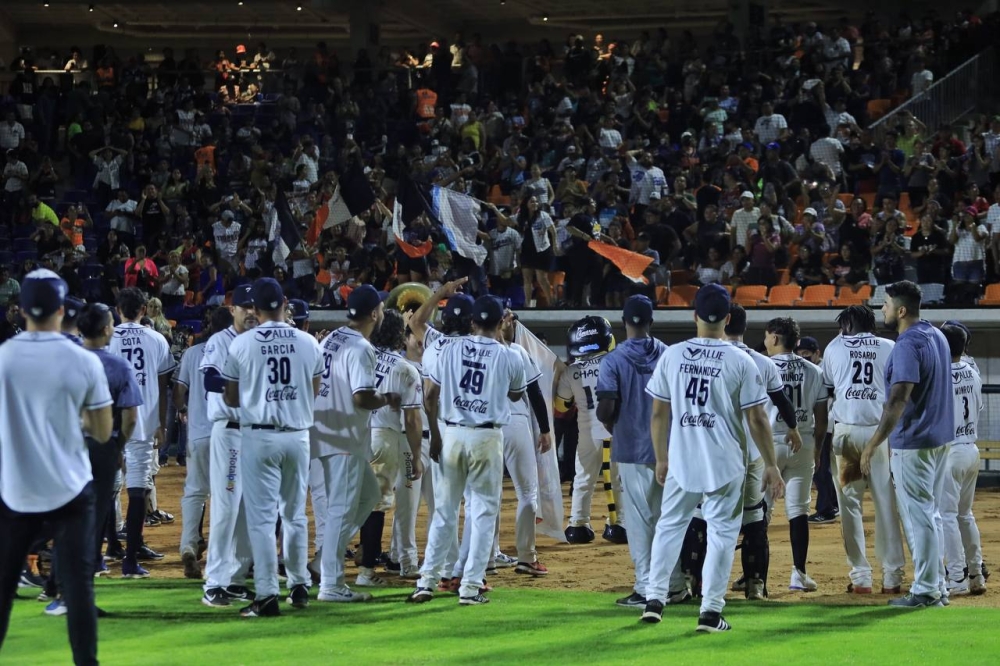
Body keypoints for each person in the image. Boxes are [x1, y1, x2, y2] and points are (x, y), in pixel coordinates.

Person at [641, 284, 784, 631]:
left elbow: (659, 414)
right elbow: (757, 418)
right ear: (728, 318)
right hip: (724, 462)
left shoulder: (672, 355)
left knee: (669, 527)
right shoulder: (740, 359)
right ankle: (710, 612)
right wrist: (771, 464)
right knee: (721, 534)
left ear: (694, 315)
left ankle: (654, 600)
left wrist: (661, 457)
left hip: (682, 458)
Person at [0, 269, 113, 666]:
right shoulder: (81, 361)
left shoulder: (3, 357)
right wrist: (71, 418)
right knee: (79, 589)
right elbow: (102, 432)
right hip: (69, 489)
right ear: (62, 310)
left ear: (21, 311)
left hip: (15, 491)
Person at [407, 296, 526, 606]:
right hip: (487, 437)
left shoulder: (447, 348)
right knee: (484, 513)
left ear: (472, 322)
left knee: (444, 514)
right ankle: (470, 587)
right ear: (501, 322)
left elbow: (430, 395)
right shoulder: (510, 355)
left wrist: (434, 435)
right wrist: (505, 341)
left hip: (452, 434)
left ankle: (426, 582)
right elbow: (517, 393)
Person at [222, 277, 324, 617]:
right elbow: (314, 388)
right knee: (295, 515)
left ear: (254, 309)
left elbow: (232, 397)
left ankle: (267, 593)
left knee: (263, 520)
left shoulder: (240, 344)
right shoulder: (309, 341)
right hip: (297, 435)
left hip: (259, 436)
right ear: (285, 304)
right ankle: (298, 585)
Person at [861, 281, 953, 607]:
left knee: (919, 517)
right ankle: (938, 587)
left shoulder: (906, 344)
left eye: (885, 304)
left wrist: (873, 443)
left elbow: (898, 399)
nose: (882, 309)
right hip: (941, 439)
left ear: (901, 310)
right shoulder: (938, 335)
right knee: (932, 515)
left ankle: (927, 590)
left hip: (913, 441)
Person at [313, 285, 401, 602]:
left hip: (323, 431)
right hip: (343, 437)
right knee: (341, 509)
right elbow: (362, 396)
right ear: (375, 313)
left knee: (369, 494)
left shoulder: (332, 338)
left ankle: (324, 557)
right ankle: (331, 585)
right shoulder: (361, 348)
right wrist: (388, 398)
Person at [595, 295, 677, 608]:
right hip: (669, 450)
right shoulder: (668, 355)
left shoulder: (612, 360)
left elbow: (606, 406)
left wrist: (614, 424)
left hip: (631, 448)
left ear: (624, 323)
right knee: (668, 519)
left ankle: (646, 589)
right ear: (652, 322)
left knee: (641, 523)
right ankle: (674, 583)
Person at [823, 305, 905, 594]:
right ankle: (893, 577)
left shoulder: (834, 346)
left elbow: (830, 385)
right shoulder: (890, 346)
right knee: (886, 505)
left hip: (846, 434)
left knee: (849, 507)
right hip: (881, 434)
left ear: (846, 325)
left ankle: (861, 577)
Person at [724, 305, 801, 600]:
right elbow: (782, 402)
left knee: (704, 518)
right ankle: (756, 585)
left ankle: (695, 584)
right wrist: (793, 428)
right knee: (755, 517)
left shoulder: (704, 359)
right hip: (753, 454)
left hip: (713, 453)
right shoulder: (761, 361)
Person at [108, 287, 176, 578]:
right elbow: (162, 385)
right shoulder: (157, 338)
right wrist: (161, 421)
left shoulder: (107, 336)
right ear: (144, 310)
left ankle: (112, 545)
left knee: (109, 487)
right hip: (143, 421)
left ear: (118, 309)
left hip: (109, 421)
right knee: (138, 488)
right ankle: (130, 558)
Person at [197, 285, 256, 605]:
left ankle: (234, 578)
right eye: (243, 306)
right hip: (230, 433)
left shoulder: (260, 341)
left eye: (253, 306)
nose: (249, 312)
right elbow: (209, 380)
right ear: (232, 310)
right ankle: (214, 582)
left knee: (249, 509)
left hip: (256, 434)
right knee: (227, 506)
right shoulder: (222, 340)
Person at [77, 303, 142, 592]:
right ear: (106, 329)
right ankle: (85, 579)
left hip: (65, 447)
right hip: (103, 445)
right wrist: (118, 446)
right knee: (98, 511)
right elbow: (130, 417)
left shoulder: (67, 360)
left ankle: (56, 582)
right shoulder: (117, 365)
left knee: (64, 512)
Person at [356, 308, 423, 588]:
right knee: (378, 504)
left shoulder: (363, 357)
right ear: (401, 335)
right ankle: (368, 571)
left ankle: (334, 561)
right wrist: (417, 457)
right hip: (385, 437)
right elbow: (411, 419)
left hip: (355, 433)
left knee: (354, 501)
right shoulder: (406, 369)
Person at [763, 317, 827, 591]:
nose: (765, 341)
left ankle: (755, 575)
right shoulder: (814, 370)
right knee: (799, 510)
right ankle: (799, 574)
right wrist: (818, 451)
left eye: (767, 336)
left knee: (759, 510)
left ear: (775, 338)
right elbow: (822, 417)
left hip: (768, 444)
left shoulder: (761, 366)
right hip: (804, 441)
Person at [556, 316, 626, 544]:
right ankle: (619, 523)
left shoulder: (571, 371)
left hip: (587, 432)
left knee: (583, 478)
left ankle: (577, 524)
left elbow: (561, 406)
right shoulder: (619, 362)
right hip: (617, 429)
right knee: (617, 478)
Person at [173, 308, 232, 580]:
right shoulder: (236, 347)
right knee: (225, 494)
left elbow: (179, 390)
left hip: (197, 432)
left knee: (195, 492)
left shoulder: (192, 352)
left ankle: (188, 544)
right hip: (229, 432)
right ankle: (224, 556)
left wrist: (182, 411)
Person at [938, 323, 986, 596]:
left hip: (951, 452)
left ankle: (956, 578)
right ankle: (976, 573)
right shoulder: (972, 370)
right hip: (971, 449)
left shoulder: (940, 374)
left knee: (946, 516)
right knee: (964, 515)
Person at [796, 336, 839, 524]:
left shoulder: (822, 370)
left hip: (826, 424)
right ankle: (833, 504)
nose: (803, 358)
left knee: (820, 468)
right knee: (824, 467)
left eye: (807, 355)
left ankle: (826, 508)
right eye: (800, 355)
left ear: (817, 353)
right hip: (821, 423)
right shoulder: (811, 369)